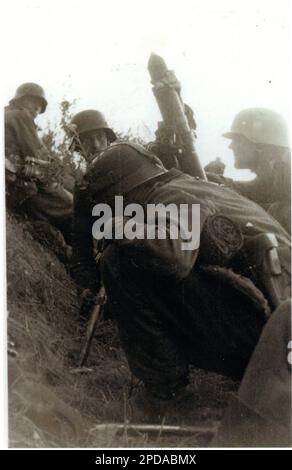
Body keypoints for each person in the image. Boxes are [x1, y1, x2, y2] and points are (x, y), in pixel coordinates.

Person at [71, 110, 291, 427]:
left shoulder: (172, 195)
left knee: (119, 263)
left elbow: (174, 255)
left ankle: (167, 396)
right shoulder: (193, 189)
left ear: (123, 191)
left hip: (275, 342)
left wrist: (120, 228)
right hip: (278, 336)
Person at [5, 82, 73, 248]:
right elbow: (38, 153)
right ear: (20, 100)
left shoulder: (6, 114)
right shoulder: (20, 116)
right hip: (19, 185)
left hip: (12, 182)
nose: (36, 109)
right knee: (73, 206)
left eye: (39, 107)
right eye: (33, 102)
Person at [222, 108, 291, 233]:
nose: (231, 146)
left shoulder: (286, 173)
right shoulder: (274, 171)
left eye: (238, 139)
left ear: (260, 144)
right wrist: (223, 183)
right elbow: (258, 189)